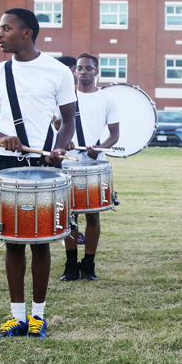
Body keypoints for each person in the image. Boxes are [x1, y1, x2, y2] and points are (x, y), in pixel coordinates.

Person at [0, 8, 76, 340]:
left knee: (41, 242)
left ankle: (38, 317)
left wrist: (59, 148)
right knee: (12, 242)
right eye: (0, 29)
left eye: (6, 28)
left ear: (27, 33)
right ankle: (17, 317)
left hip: (43, 168)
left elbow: (69, 121)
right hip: (5, 165)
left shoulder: (58, 72)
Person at [60, 53, 120, 282]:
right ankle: (70, 265)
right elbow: (57, 124)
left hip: (95, 165)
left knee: (93, 216)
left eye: (87, 68)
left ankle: (88, 264)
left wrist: (100, 147)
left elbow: (114, 135)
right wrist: (65, 140)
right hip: (69, 162)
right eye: (79, 68)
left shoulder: (107, 99)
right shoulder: (66, 97)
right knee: (70, 215)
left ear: (96, 72)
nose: (82, 72)